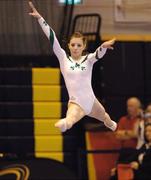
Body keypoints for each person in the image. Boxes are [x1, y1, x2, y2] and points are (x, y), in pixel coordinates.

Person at [28, 1, 117, 132]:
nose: (75, 48)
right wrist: (40, 19)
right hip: (76, 103)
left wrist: (103, 46)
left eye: (79, 45)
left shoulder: (88, 59)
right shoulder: (63, 58)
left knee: (104, 116)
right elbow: (52, 37)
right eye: (73, 45)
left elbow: (98, 54)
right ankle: (64, 124)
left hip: (92, 102)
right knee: (71, 118)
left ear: (84, 47)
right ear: (69, 45)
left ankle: (111, 124)